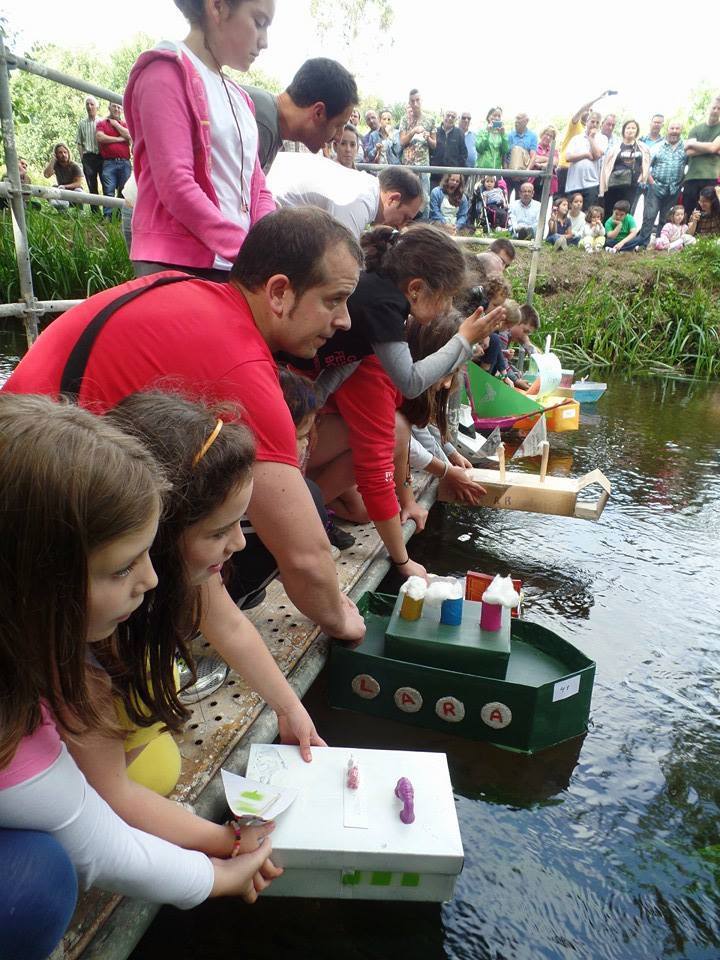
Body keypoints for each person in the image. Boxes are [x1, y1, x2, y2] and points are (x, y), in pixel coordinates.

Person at [2, 206, 367, 645]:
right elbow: (305, 556)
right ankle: (150, 646)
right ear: (279, 292)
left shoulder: (186, 288)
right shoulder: (242, 364)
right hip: (32, 535)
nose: (344, 319)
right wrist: (341, 620)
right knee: (274, 510)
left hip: (27, 474)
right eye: (334, 300)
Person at [0, 395, 281, 960]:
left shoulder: (32, 646)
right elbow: (102, 847)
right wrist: (223, 872)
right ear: (32, 582)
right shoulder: (16, 731)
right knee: (38, 883)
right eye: (122, 566)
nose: (151, 579)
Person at [302, 226, 506, 574]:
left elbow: (406, 426)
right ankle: (301, 511)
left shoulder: (378, 328)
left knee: (366, 504)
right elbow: (386, 442)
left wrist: (311, 404)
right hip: (290, 429)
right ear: (415, 288)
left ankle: (312, 502)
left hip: (307, 416)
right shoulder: (383, 331)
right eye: (446, 373)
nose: (445, 384)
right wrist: (402, 560)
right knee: (380, 459)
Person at [123, 0, 276, 280]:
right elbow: (175, 184)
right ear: (217, 7)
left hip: (233, 261)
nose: (264, 42)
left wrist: (268, 243)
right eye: (259, 22)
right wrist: (248, 251)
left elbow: (258, 186)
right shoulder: (165, 72)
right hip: (178, 262)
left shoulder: (240, 98)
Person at [400, 314, 486, 505]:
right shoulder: (397, 384)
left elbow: (419, 428)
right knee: (362, 509)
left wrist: (450, 456)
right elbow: (404, 441)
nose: (448, 384)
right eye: (448, 372)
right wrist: (446, 470)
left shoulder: (410, 388)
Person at [267, 152, 423, 238]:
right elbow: (340, 262)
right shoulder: (360, 200)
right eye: (405, 217)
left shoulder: (365, 186)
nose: (402, 226)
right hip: (264, 207)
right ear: (393, 199)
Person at [244, 57, 359, 172]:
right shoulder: (258, 124)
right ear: (318, 113)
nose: (339, 138)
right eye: (338, 125)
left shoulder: (268, 120)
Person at [637, 122, 686, 248]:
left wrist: (682, 181)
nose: (674, 131)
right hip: (656, 187)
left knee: (666, 219)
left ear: (681, 130)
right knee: (649, 217)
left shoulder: (685, 147)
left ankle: (661, 244)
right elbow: (646, 165)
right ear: (667, 130)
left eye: (677, 128)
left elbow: (691, 166)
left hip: (674, 189)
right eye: (672, 128)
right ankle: (642, 244)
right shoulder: (658, 146)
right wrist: (652, 182)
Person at [599, 119, 650, 220]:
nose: (630, 130)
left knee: (627, 212)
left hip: (632, 186)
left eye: (633, 128)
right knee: (610, 210)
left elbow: (646, 165)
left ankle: (623, 234)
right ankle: (608, 233)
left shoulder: (643, 148)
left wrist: (641, 178)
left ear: (637, 131)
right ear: (623, 130)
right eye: (628, 128)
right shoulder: (615, 147)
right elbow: (606, 167)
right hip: (614, 185)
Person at [682, 95, 720, 217]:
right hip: (691, 177)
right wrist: (711, 148)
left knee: (711, 212)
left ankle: (709, 237)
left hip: (711, 176)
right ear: (708, 108)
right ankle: (688, 236)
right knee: (689, 211)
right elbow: (688, 152)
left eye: (719, 108)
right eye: (714, 107)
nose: (715, 110)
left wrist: (694, 144)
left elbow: (714, 147)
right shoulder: (696, 129)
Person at [96, 102, 132, 219]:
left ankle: (121, 216)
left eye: (119, 107)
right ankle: (107, 216)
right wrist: (119, 139)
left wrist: (116, 125)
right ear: (109, 107)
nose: (116, 109)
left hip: (125, 162)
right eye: (114, 106)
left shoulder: (125, 124)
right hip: (109, 162)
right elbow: (100, 137)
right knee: (109, 190)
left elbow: (129, 136)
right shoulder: (102, 123)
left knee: (124, 191)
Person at [565, 112, 607, 208]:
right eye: (592, 121)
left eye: (597, 122)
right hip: (574, 184)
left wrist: (591, 138)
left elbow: (597, 155)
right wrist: (586, 155)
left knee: (588, 215)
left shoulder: (602, 138)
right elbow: (568, 157)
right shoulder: (576, 139)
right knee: (572, 214)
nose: (594, 124)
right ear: (587, 122)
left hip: (591, 184)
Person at [75, 95, 102, 213]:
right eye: (87, 104)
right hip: (88, 157)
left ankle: (109, 212)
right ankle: (95, 212)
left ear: (97, 106)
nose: (89, 106)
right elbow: (79, 142)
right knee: (92, 185)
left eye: (92, 104)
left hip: (102, 157)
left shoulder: (102, 122)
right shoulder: (82, 124)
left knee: (107, 184)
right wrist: (82, 158)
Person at [430, 109, 468, 188]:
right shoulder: (435, 131)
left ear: (456, 119)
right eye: (448, 115)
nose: (450, 118)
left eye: (453, 117)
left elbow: (464, 154)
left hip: (452, 177)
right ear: (443, 116)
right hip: (434, 175)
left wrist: (457, 171)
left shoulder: (460, 133)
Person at [505, 112, 538, 201]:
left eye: (519, 119)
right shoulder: (510, 135)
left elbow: (533, 155)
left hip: (523, 176)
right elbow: (504, 154)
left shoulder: (532, 136)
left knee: (521, 201)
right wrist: (506, 171)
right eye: (516, 119)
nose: (516, 121)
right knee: (505, 199)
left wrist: (527, 171)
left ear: (526, 121)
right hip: (508, 174)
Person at [42, 143, 84, 209]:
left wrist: (64, 186)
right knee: (50, 190)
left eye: (65, 152)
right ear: (56, 154)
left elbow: (78, 183)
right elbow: (46, 175)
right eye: (60, 153)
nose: (63, 155)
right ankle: (62, 210)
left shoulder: (74, 166)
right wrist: (53, 160)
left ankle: (80, 211)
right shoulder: (56, 165)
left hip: (73, 191)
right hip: (61, 191)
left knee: (79, 191)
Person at [475, 107, 508, 173]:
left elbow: (505, 150)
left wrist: (503, 135)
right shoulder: (482, 131)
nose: (497, 118)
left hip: (496, 170)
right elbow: (479, 149)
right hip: (482, 170)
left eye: (499, 116)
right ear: (488, 117)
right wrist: (487, 132)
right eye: (494, 115)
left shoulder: (501, 133)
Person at [530, 126, 558, 199]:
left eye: (551, 136)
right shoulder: (534, 146)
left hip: (548, 182)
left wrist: (542, 164)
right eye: (546, 134)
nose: (548, 137)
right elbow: (534, 159)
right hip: (533, 180)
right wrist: (549, 159)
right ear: (542, 134)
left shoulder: (554, 150)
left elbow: (555, 163)